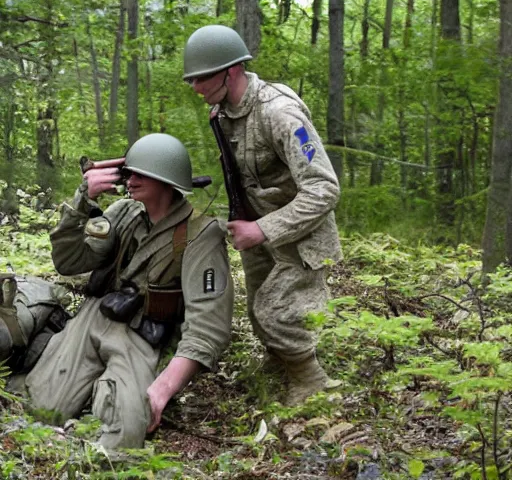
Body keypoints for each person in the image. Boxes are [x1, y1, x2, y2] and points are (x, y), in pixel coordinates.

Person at [22, 133, 234, 449]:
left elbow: (208, 329)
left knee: (122, 434)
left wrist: (163, 387)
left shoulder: (199, 235)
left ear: (165, 179)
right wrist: (82, 202)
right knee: (39, 412)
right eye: (129, 172)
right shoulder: (123, 212)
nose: (130, 180)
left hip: (142, 335)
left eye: (140, 173)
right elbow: (70, 261)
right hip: (95, 315)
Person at [183, 25, 342, 405]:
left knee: (276, 313)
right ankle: (281, 366)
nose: (196, 87)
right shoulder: (223, 112)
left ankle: (312, 381)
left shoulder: (280, 112)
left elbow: (324, 188)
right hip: (260, 231)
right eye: (193, 78)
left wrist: (263, 229)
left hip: (300, 236)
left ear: (232, 71)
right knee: (259, 311)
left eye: (203, 77)